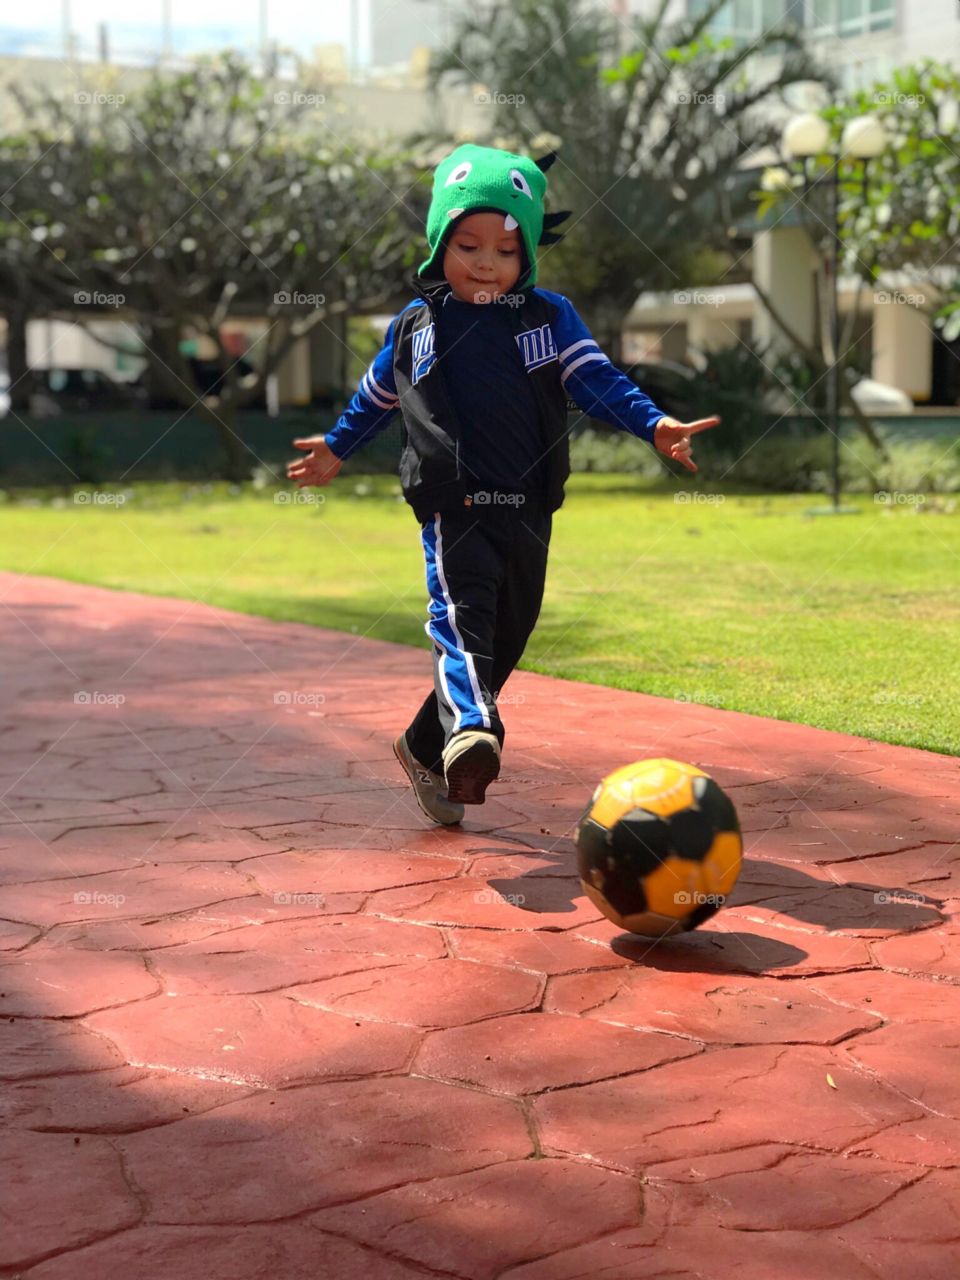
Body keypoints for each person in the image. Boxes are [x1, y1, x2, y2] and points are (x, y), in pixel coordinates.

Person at [287, 143, 719, 826]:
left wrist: (654, 423)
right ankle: (473, 731)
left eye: (504, 251)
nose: (486, 262)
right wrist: (337, 447)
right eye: (468, 245)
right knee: (463, 622)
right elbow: (376, 395)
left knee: (507, 637)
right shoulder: (416, 326)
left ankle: (426, 746)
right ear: (440, 243)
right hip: (451, 501)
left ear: (526, 259)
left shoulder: (545, 319)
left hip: (527, 502)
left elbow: (596, 379)